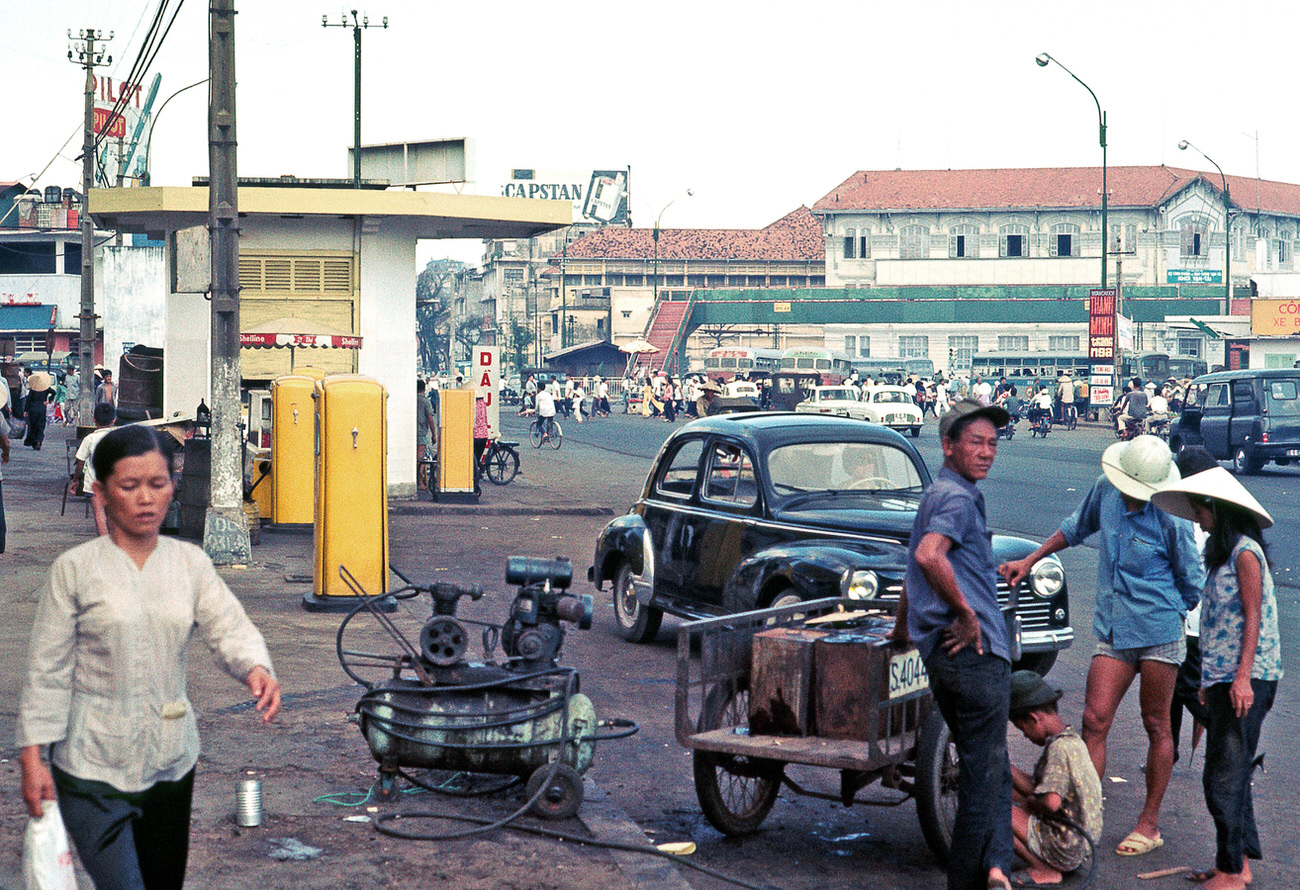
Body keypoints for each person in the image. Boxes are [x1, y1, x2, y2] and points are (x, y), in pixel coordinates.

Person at [17, 425, 281, 889]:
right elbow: (47, 670)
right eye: (129, 485)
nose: (145, 499)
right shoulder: (74, 572)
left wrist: (255, 667)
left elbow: (227, 625)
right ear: (99, 492)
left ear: (172, 487)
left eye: (157, 485)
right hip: (91, 766)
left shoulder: (190, 564)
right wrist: (32, 755)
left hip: (170, 761)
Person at [1001, 435, 1203, 857]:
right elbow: (1074, 529)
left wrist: (1168, 615)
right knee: (1094, 720)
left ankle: (1149, 823)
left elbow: (1191, 581)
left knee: (1157, 724)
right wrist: (1030, 559)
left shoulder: (1173, 513)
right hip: (1113, 627)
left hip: (1160, 630)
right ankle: (1081, 819)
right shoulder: (1106, 488)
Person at [892, 398, 1014, 890]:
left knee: (989, 765)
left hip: (944, 655)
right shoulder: (958, 499)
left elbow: (909, 574)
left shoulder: (939, 492)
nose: (986, 452)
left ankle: (997, 870)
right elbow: (926, 556)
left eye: (993, 444)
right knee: (982, 781)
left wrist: (901, 631)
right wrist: (966, 613)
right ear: (947, 446)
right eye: (975, 443)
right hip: (973, 655)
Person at [1150, 469, 1281, 890]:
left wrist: (1241, 678)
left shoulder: (1245, 554)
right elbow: (1215, 623)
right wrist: (1209, 680)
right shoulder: (1223, 555)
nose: (1197, 517)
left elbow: (1253, 616)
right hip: (1224, 677)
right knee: (1233, 770)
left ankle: (1230, 871)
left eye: (1201, 509)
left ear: (1218, 511)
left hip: (1250, 677)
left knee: (1223, 773)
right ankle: (1238, 863)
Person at [1008, 670, 1104, 886]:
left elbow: (1050, 802)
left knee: (996, 810)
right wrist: (1006, 767)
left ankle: (1044, 869)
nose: (1024, 735)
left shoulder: (1059, 749)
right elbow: (1036, 787)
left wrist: (1031, 803)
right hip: (1082, 846)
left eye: (1022, 729)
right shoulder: (1072, 742)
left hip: (1066, 846)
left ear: (1033, 719)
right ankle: (1050, 861)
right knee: (1014, 799)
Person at [1169, 447, 1218, 767]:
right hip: (1202, 618)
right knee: (1173, 688)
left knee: (1185, 687)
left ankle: (1232, 741)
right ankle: (1168, 750)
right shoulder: (1212, 512)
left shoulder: (1190, 519)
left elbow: (1185, 569)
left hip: (1189, 618)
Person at [70, 403, 118, 536]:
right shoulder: (119, 437)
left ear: (94, 420)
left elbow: (80, 462)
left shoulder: (89, 439)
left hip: (94, 483)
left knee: (99, 515)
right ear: (114, 420)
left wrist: (75, 480)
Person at [23, 371, 54, 450]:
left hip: (33, 408)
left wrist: (26, 410)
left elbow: (28, 400)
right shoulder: (46, 388)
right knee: (40, 425)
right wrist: (49, 400)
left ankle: (33, 441)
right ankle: (39, 441)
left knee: (33, 425)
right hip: (41, 408)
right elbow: (54, 392)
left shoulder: (33, 389)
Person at [416, 379, 437, 467]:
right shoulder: (425, 402)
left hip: (411, 432)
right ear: (424, 389)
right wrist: (434, 435)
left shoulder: (412, 400)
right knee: (420, 457)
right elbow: (430, 419)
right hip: (421, 432)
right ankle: (419, 479)